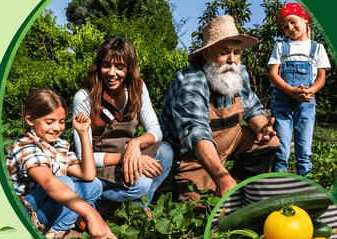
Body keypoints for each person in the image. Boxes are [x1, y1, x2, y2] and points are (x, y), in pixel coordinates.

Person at [159, 15, 280, 201]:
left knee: (269, 142)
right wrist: (222, 177)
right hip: (193, 160)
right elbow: (196, 132)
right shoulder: (191, 80)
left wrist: (262, 128)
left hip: (227, 147)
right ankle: (221, 180)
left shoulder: (240, 73)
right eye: (224, 53)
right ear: (207, 54)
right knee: (202, 209)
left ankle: (240, 185)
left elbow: (253, 109)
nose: (232, 60)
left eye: (236, 52)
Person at [6, 88, 120, 239]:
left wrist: (83, 133)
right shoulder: (26, 146)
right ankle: (26, 235)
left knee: (94, 186)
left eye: (61, 121)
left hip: (42, 212)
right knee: (64, 182)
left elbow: (88, 175)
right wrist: (92, 214)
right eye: (49, 122)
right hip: (19, 214)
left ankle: (53, 234)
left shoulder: (59, 146)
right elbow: (49, 183)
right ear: (30, 120)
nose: (57, 128)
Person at [72, 35, 173, 211]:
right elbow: (82, 156)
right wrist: (129, 158)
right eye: (106, 65)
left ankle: (138, 209)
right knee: (140, 184)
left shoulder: (137, 87)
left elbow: (156, 130)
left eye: (119, 67)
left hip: (128, 151)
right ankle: (97, 203)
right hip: (99, 160)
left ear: (129, 68)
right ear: (99, 65)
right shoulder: (84, 96)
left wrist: (136, 143)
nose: (112, 73)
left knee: (165, 153)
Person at [268, 3, 331, 176]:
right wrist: (290, 90)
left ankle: (305, 186)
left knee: (304, 150)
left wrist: (310, 91)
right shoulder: (280, 47)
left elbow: (321, 78)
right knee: (281, 149)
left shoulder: (317, 48)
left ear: (305, 21)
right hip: (282, 101)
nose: (289, 27)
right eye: (285, 26)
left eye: (293, 22)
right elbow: (273, 75)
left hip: (306, 102)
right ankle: (279, 185)